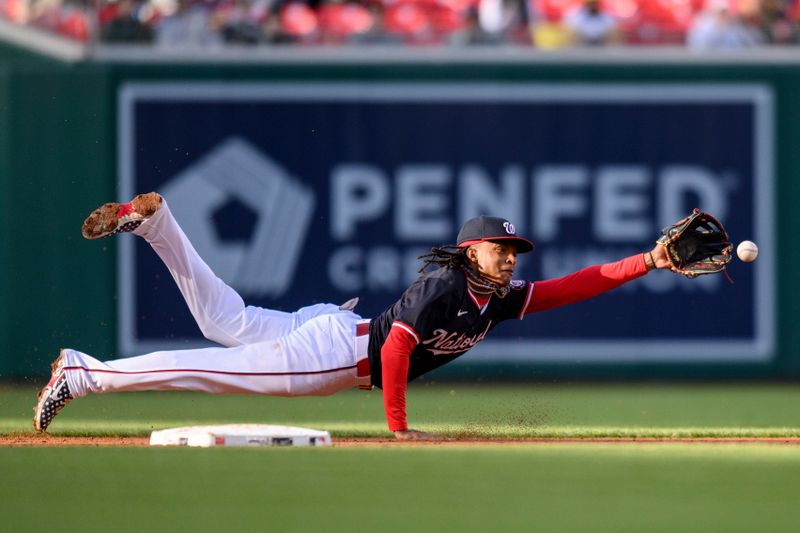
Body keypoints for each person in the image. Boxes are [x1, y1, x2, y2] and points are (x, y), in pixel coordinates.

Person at [34, 192, 671, 440]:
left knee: (222, 318)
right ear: (472, 247)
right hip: (335, 356)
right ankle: (84, 373)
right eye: (501, 248)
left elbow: (573, 285)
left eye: (514, 250)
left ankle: (160, 225)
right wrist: (399, 428)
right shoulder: (447, 284)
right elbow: (397, 349)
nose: (511, 257)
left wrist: (648, 259)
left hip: (335, 331)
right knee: (210, 363)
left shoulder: (496, 296)